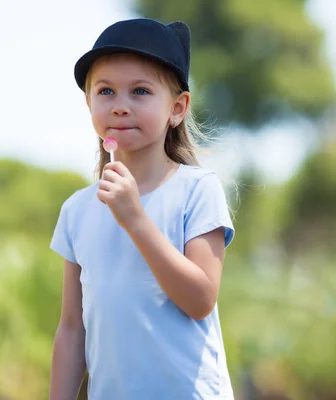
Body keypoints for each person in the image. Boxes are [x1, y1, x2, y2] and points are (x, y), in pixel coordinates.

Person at [48, 18, 236, 400]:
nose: (120, 107)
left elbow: (200, 300)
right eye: (106, 92)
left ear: (178, 108)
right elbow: (72, 328)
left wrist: (135, 218)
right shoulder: (77, 210)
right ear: (89, 103)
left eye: (140, 91)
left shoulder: (197, 190)